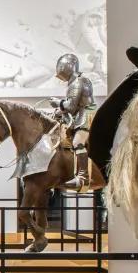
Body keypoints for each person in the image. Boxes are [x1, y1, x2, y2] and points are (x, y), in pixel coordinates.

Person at [53, 53, 94, 189]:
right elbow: (72, 106)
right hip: (80, 113)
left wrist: (58, 103)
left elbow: (71, 106)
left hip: (86, 113)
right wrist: (60, 111)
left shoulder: (78, 81)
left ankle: (83, 177)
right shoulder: (75, 81)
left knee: (78, 142)